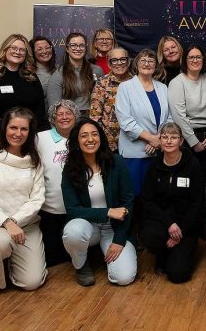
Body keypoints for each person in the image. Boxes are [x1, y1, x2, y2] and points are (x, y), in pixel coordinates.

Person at [0, 107, 47, 294]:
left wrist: (12, 222)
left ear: (30, 133)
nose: (18, 134)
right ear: (4, 128)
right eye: (13, 128)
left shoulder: (34, 162)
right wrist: (5, 222)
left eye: (24, 129)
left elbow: (36, 200)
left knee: (31, 283)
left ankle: (9, 259)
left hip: (25, 227)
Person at [61, 117, 137, 287]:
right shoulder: (71, 167)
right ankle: (80, 265)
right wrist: (107, 211)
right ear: (76, 141)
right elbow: (73, 210)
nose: (90, 139)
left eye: (94, 134)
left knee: (123, 278)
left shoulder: (116, 162)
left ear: (101, 137)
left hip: (115, 227)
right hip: (88, 226)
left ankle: (105, 253)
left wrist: (118, 240)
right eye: (84, 136)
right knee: (73, 232)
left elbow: (128, 201)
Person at [140, 123, 203, 283]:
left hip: (185, 226)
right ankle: (162, 252)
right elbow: (147, 201)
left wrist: (180, 230)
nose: (169, 141)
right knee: (148, 235)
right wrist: (169, 224)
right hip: (162, 222)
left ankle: (182, 250)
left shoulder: (193, 165)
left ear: (181, 141)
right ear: (159, 140)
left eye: (173, 137)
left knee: (178, 275)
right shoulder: (154, 166)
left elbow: (196, 203)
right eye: (165, 137)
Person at [115, 49, 172, 198]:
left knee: (157, 196)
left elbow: (170, 118)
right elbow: (126, 121)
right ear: (136, 64)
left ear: (156, 66)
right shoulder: (125, 88)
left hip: (159, 151)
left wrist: (158, 140)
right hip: (134, 154)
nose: (147, 64)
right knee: (135, 196)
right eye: (143, 60)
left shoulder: (163, 88)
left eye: (151, 61)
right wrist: (151, 139)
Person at [0, 33, 46, 153]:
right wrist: (3, 130)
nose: (17, 52)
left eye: (22, 50)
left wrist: (30, 130)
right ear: (5, 50)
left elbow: (40, 106)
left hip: (24, 135)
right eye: (13, 48)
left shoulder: (31, 77)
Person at [35, 99, 79, 267]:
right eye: (60, 114)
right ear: (53, 119)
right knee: (51, 257)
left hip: (76, 204)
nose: (64, 117)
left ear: (76, 117)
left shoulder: (81, 136)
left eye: (69, 113)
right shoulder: (40, 138)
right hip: (50, 206)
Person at [168, 44, 206, 172]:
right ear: (185, 60)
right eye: (191, 57)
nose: (195, 60)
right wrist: (194, 142)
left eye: (198, 57)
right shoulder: (177, 83)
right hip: (189, 138)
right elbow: (178, 116)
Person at [47, 32, 104, 114]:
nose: (78, 48)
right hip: (70, 120)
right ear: (67, 48)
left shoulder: (97, 70)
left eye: (82, 45)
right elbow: (53, 110)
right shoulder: (58, 75)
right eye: (73, 45)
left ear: (85, 48)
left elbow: (103, 99)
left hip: (94, 119)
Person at [89, 47, 132, 152]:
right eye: (115, 60)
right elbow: (94, 115)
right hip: (109, 144)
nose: (119, 63)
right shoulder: (102, 83)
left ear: (128, 62)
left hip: (133, 140)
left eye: (123, 59)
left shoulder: (136, 82)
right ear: (109, 64)